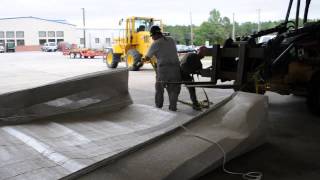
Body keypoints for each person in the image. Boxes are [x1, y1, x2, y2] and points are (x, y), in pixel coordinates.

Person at [144, 25, 181, 111]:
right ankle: (173, 108)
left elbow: (147, 57)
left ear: (155, 35)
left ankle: (158, 107)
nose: (152, 38)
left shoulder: (155, 43)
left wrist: (143, 59)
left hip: (164, 69)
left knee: (159, 88)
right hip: (175, 68)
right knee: (174, 89)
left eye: (152, 36)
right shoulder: (171, 40)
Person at [180, 46, 207, 110]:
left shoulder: (191, 54)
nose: (204, 57)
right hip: (183, 74)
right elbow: (200, 70)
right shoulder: (196, 58)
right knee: (192, 89)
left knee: (189, 88)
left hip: (180, 72)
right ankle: (195, 104)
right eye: (204, 55)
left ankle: (195, 103)